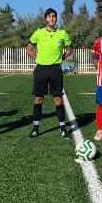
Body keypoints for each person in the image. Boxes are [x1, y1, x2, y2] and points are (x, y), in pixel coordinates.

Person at [26, 8, 73, 139]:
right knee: (38, 99)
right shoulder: (39, 33)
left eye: (54, 16)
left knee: (58, 99)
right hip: (41, 69)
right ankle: (35, 129)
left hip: (55, 69)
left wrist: (61, 58)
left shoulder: (62, 33)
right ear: (45, 19)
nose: (52, 18)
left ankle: (63, 129)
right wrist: (37, 59)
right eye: (49, 16)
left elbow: (69, 49)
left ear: (56, 18)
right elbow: (29, 49)